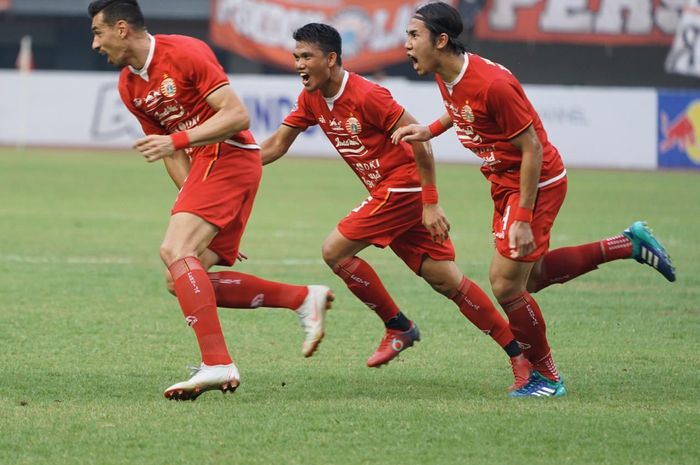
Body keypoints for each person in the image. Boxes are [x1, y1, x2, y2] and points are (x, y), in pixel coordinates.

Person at [392, 1, 676, 397]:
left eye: (413, 35)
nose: (405, 44)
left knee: (505, 284)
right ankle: (628, 244)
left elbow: (532, 149)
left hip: (535, 183)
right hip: (505, 182)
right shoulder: (448, 72)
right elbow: (462, 110)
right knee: (534, 277)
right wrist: (430, 129)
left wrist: (523, 216)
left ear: (441, 40)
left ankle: (548, 378)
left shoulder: (493, 83)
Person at [261, 22, 533, 390]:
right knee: (446, 280)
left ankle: (397, 325)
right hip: (392, 196)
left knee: (335, 251)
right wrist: (225, 161)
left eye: (306, 56)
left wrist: (431, 202)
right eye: (296, 57)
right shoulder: (310, 99)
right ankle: (520, 355)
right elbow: (275, 146)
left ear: (331, 58)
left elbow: (420, 140)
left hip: (403, 189)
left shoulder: (368, 94)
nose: (299, 64)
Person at [88, 0, 333, 401]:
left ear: (120, 29)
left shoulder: (183, 52)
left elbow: (237, 117)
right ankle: (303, 299)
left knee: (174, 248)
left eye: (97, 33)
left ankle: (217, 362)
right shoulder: (129, 85)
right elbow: (170, 154)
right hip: (209, 169)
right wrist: (195, 204)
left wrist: (178, 141)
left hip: (230, 154)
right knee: (180, 277)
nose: (95, 44)